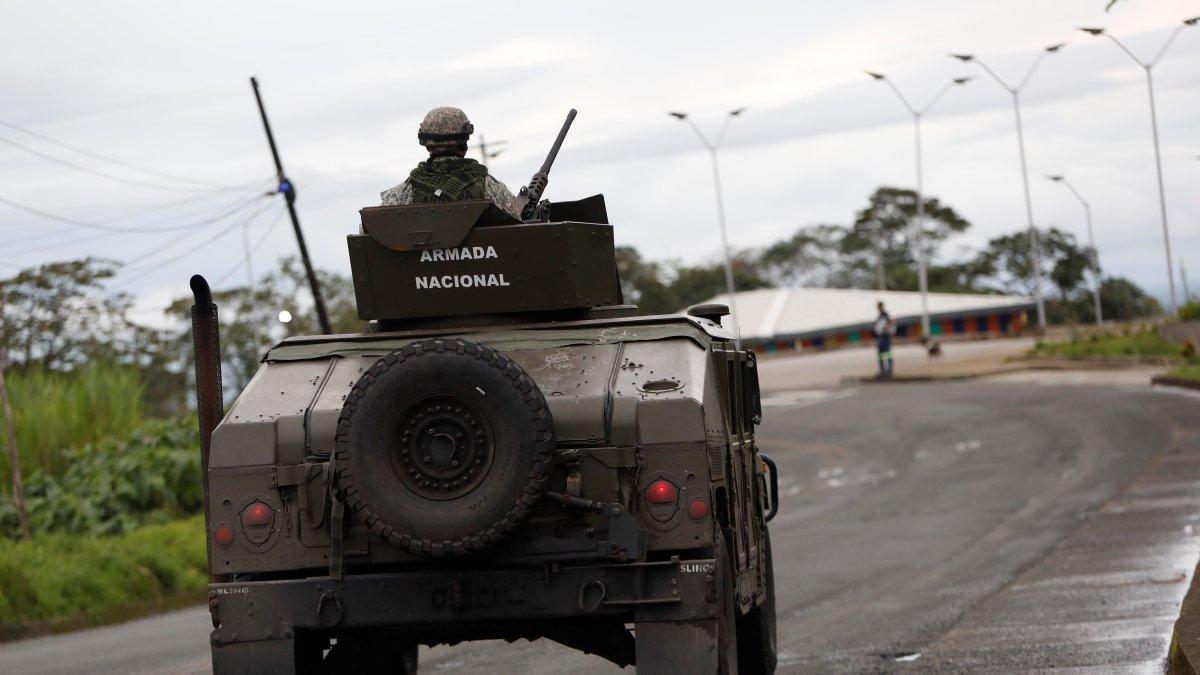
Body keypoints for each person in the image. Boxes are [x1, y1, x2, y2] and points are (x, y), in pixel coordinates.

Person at [380, 107, 521, 219]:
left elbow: (373, 229)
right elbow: (517, 223)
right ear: (464, 143)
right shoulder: (489, 186)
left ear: (428, 145)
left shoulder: (402, 193)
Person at [874, 301, 895, 379]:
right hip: (881, 336)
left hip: (884, 336)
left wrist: (885, 329)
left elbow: (890, 323)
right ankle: (883, 371)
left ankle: (889, 370)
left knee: (887, 353)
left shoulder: (885, 315)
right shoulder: (880, 315)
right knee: (881, 354)